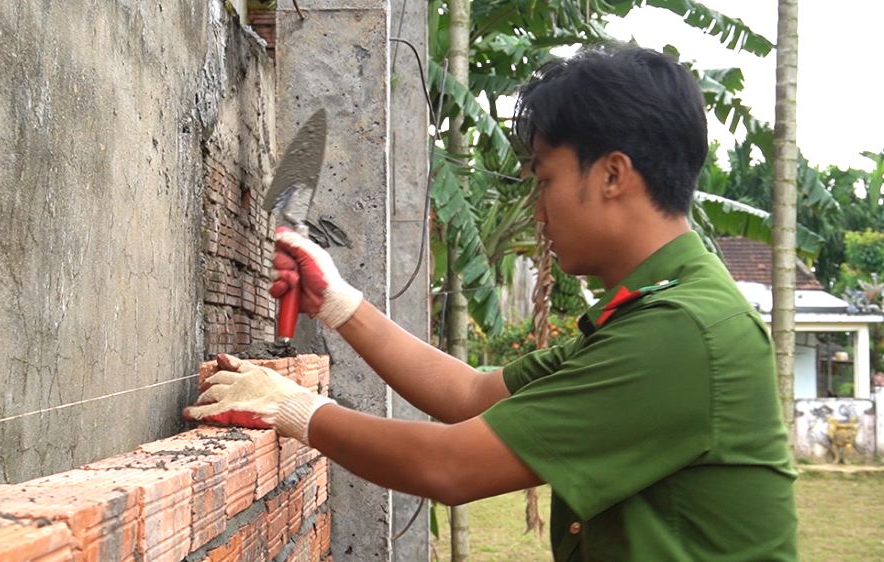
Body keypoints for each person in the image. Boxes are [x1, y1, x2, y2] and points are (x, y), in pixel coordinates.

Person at [184, 44, 798, 561]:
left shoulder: (684, 332)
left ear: (613, 175)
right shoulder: (655, 311)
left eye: (545, 179)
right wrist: (338, 301)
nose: (539, 206)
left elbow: (451, 468)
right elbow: (471, 396)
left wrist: (291, 408)